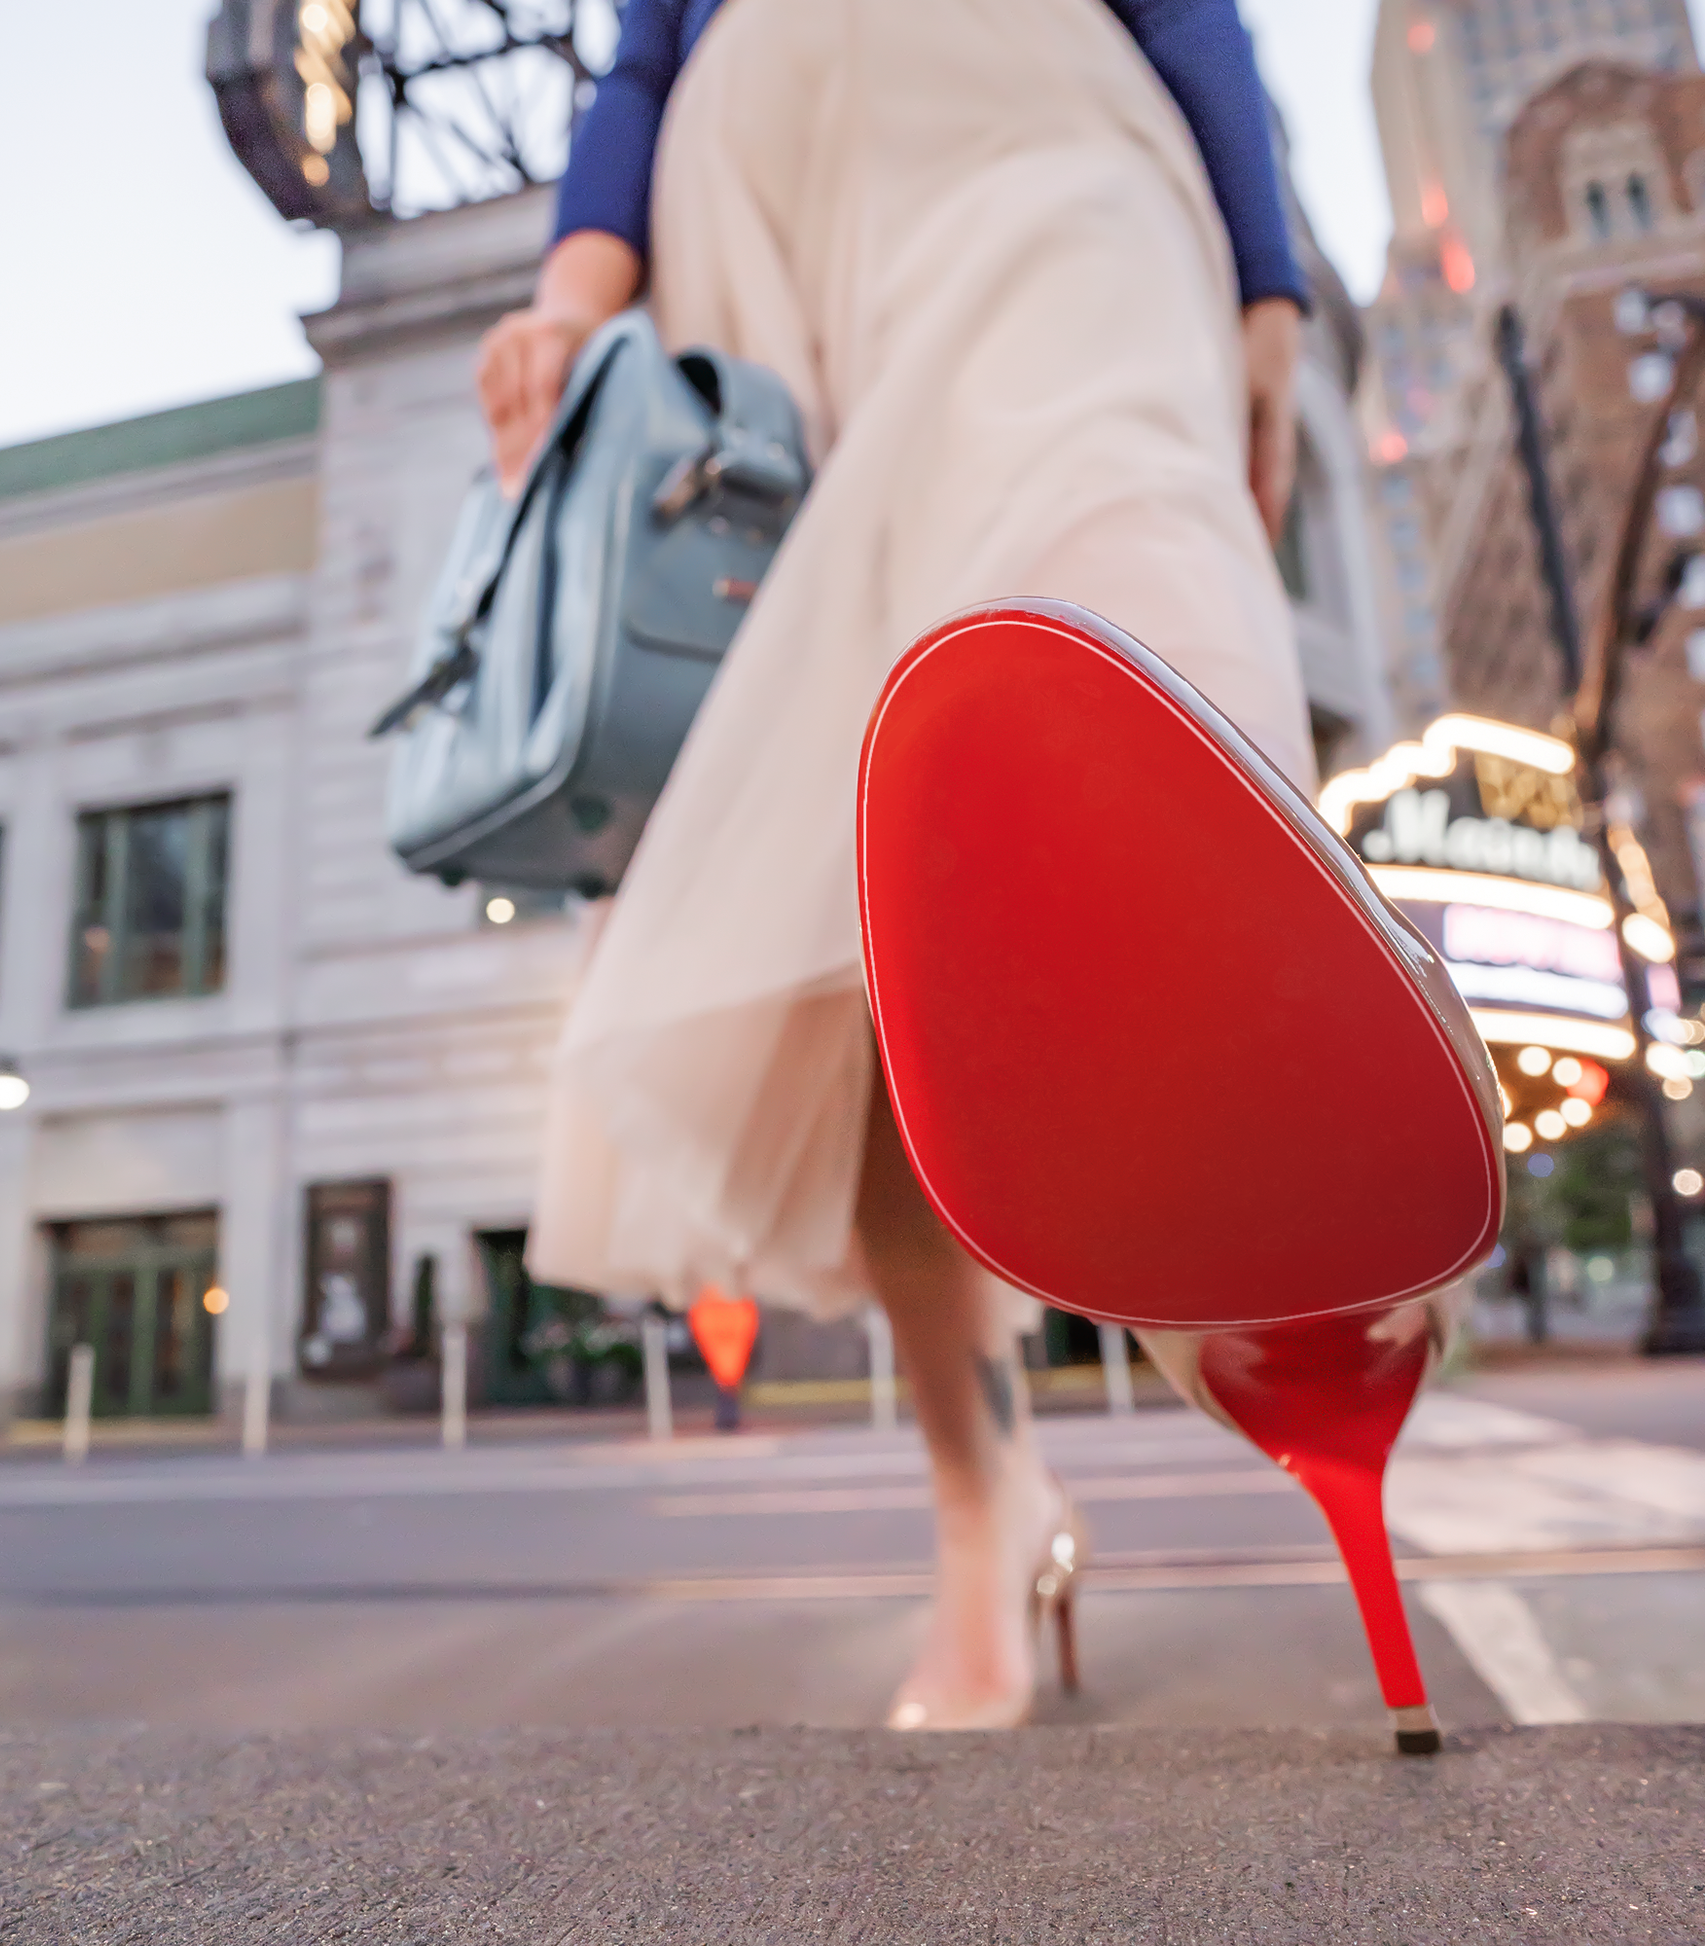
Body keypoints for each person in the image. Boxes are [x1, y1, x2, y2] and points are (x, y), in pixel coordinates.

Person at [474, 0, 1315, 1729]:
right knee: (844, 887)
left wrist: (1265, 281)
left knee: (1102, 511)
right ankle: (979, 1499)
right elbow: (639, 46)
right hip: (760, 213)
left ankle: (1236, 1054)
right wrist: (570, 291)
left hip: (1047, 106)